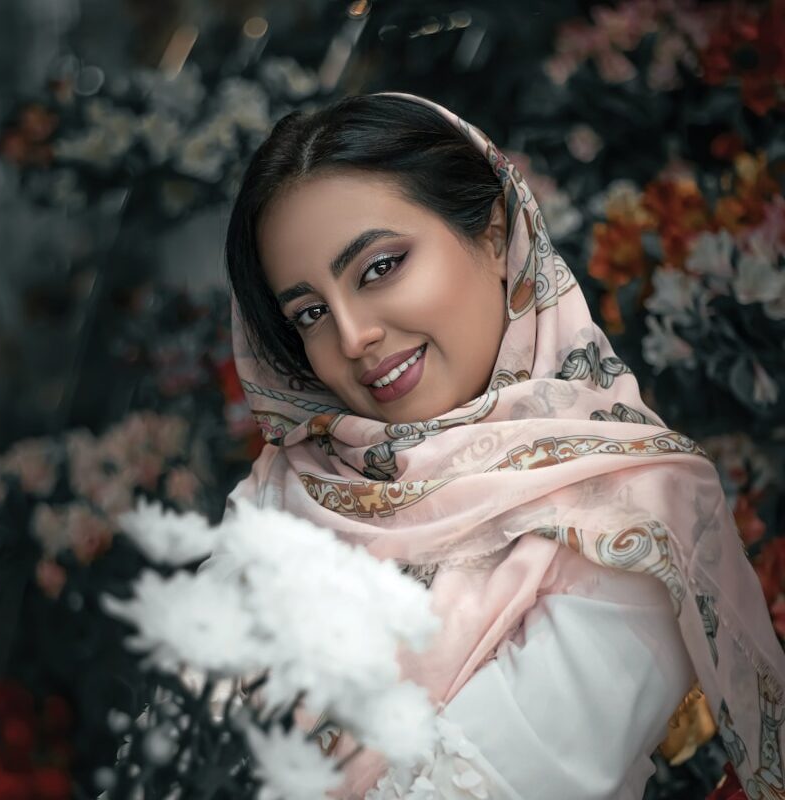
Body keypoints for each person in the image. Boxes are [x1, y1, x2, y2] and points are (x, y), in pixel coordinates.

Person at [223, 93, 785, 799]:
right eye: (309, 313)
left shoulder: (629, 517)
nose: (352, 335)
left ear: (492, 234)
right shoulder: (289, 490)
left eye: (379, 267)